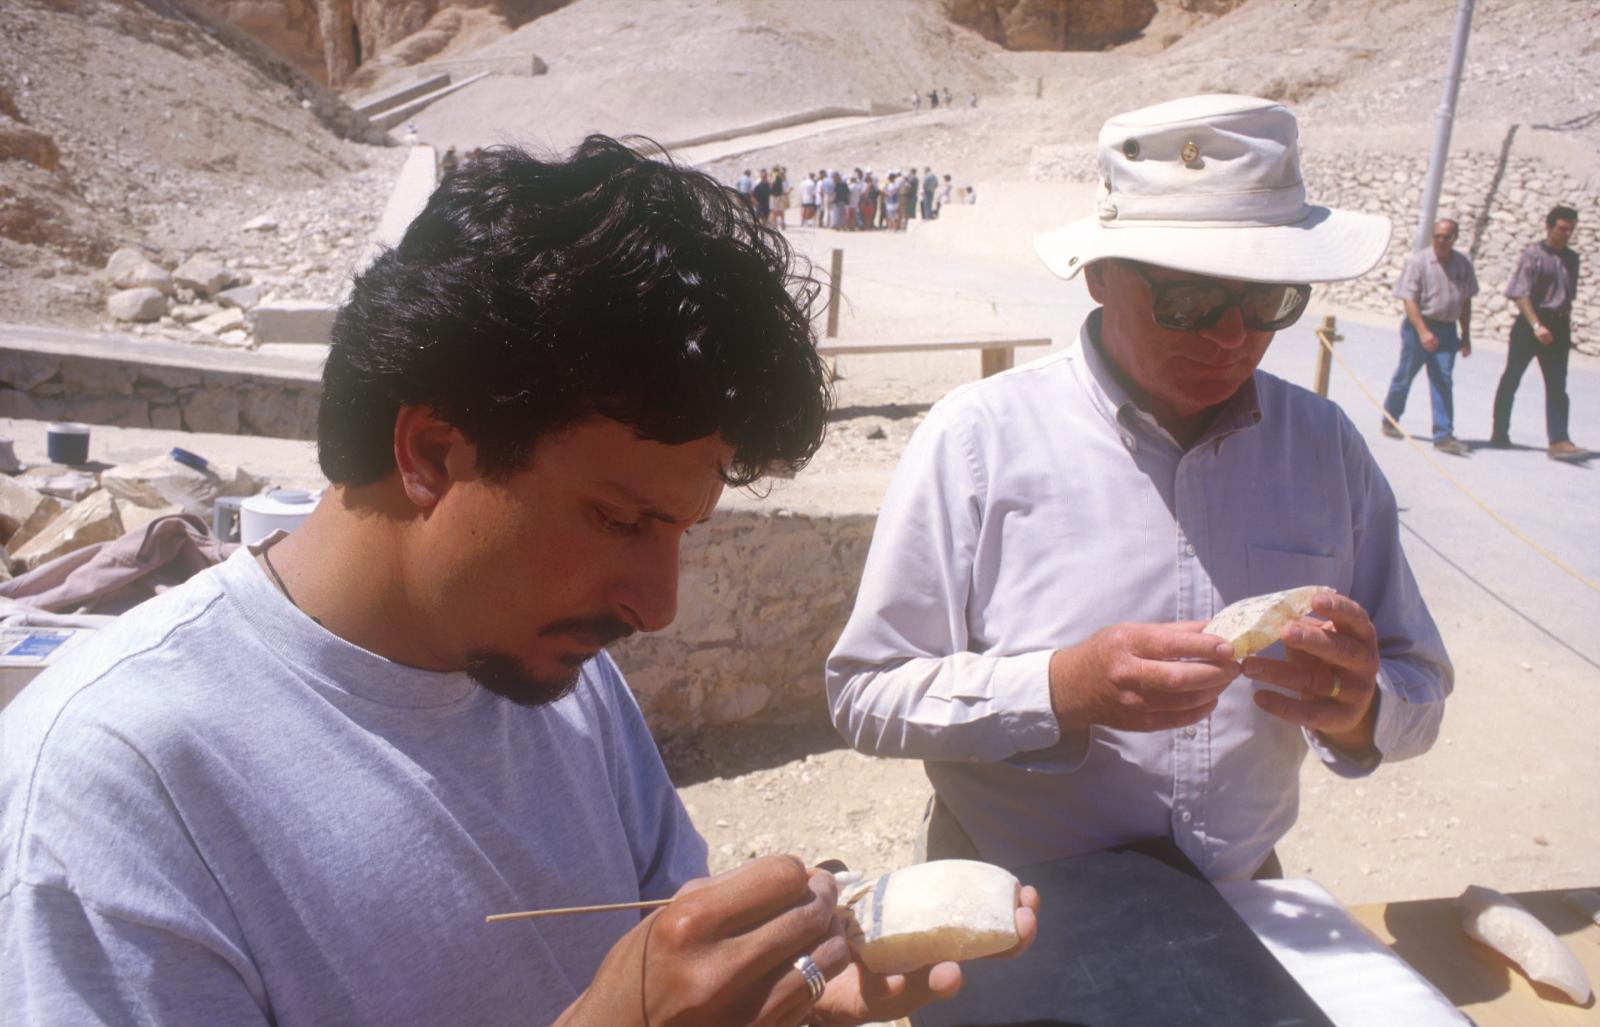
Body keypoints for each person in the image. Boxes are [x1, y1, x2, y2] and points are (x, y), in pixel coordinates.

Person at [0, 137, 1035, 1025]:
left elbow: (658, 947)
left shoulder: (563, 675)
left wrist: (772, 993)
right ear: (432, 452)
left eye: (679, 530)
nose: (657, 605)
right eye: (621, 519)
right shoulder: (114, 780)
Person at [826, 95, 1453, 882]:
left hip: (1238, 894)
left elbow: (1420, 687)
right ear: (1099, 274)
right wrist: (1060, 688)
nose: (1232, 336)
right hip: (1015, 896)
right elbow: (866, 694)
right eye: (1188, 299)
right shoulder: (977, 438)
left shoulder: (1325, 448)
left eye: (1268, 299)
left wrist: (1362, 709)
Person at [1491, 205, 1587, 460]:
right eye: (1562, 228)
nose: (1566, 234)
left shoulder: (1572, 259)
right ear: (1549, 227)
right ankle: (1500, 433)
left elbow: (1567, 295)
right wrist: (1536, 326)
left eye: (1570, 229)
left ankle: (1559, 440)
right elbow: (1520, 294)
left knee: (1557, 384)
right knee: (1512, 378)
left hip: (1558, 326)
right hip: (1531, 323)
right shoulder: (1532, 255)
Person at [1380, 218, 1478, 455]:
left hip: (1447, 330)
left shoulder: (1462, 264)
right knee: (1405, 375)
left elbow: (1465, 302)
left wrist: (1465, 336)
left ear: (1455, 238)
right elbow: (1409, 300)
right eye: (1437, 237)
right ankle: (1390, 418)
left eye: (1447, 237)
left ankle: (1443, 435)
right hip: (1419, 327)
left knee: (1443, 380)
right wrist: (1423, 332)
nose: (1441, 241)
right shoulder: (1419, 262)